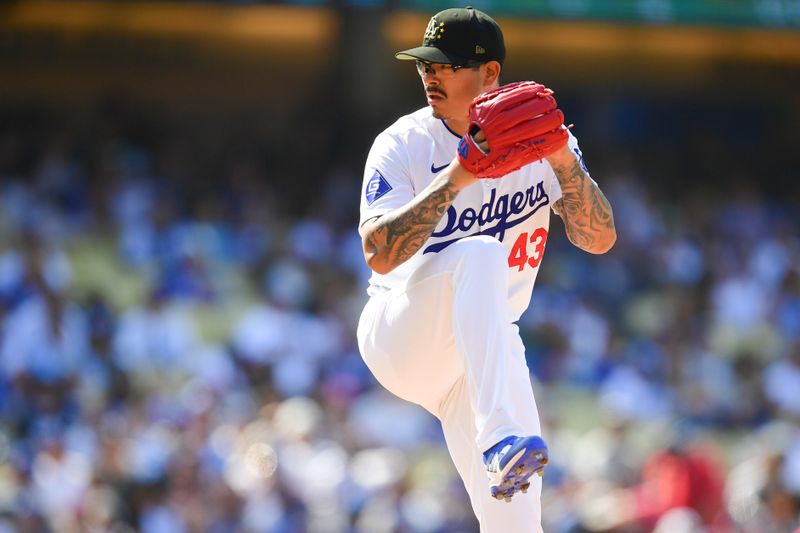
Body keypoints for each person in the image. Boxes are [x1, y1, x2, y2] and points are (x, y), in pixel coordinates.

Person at [356, 7, 616, 532]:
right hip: (404, 331)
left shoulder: (543, 143)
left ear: (490, 73)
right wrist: (459, 174)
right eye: (425, 63)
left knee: (520, 523)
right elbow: (378, 252)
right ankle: (498, 436)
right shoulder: (403, 143)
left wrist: (564, 156)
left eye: (447, 65)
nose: (430, 74)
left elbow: (599, 238)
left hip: (483, 352)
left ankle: (503, 444)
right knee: (478, 253)